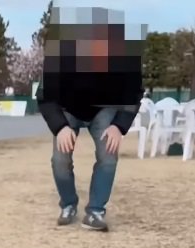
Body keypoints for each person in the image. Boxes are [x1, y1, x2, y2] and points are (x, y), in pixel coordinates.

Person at [37, 10, 145, 232]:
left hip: (103, 108)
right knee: (60, 158)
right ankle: (68, 204)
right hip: (67, 108)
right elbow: (45, 96)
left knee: (108, 153)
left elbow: (134, 93)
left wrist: (119, 125)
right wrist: (61, 126)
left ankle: (95, 211)